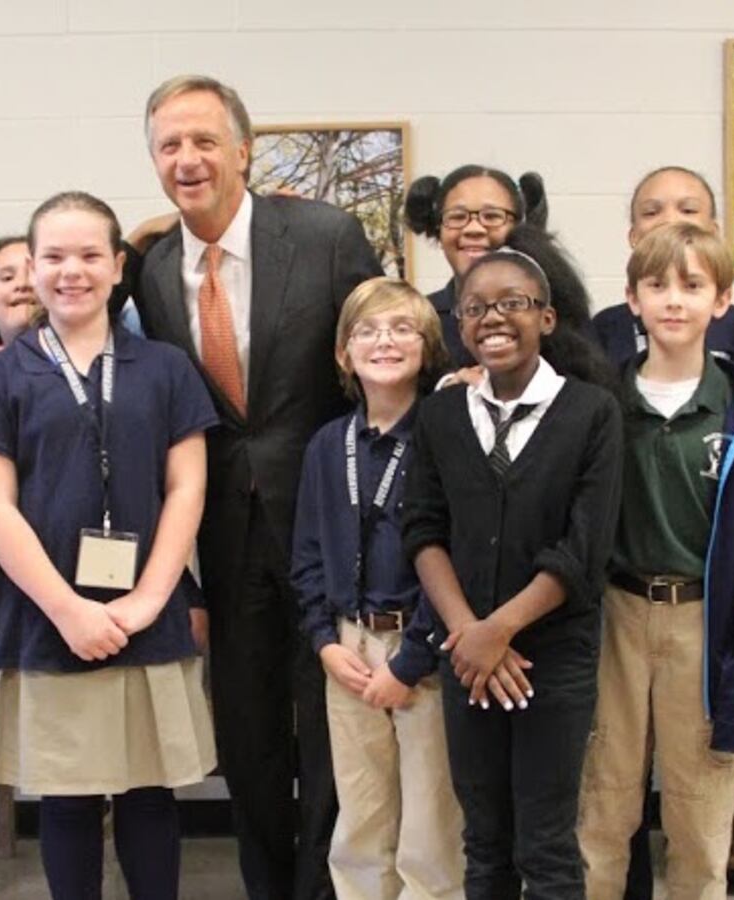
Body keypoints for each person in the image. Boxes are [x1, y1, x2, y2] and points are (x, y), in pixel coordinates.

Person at [131, 73, 383, 900]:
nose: (188, 158)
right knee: (249, 741)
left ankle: (326, 888)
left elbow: (384, 353)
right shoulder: (152, 267)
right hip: (224, 543)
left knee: (333, 729)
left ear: (244, 149)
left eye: (205, 140)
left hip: (329, 530)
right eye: (170, 144)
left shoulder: (325, 236)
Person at [0, 191, 218, 900]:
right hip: (46, 621)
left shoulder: (164, 367)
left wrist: (147, 600)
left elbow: (187, 489)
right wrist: (69, 609)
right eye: (55, 257)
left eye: (90, 254)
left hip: (146, 618)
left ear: (118, 265)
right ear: (31, 269)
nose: (74, 271)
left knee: (149, 795)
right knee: (66, 801)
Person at [401, 228, 623, 897]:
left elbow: (583, 550)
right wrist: (469, 633)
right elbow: (423, 531)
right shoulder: (440, 415)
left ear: (546, 318)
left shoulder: (593, 414)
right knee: (486, 843)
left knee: (547, 844)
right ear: (460, 323)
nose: (494, 317)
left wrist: (499, 631)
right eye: (476, 307)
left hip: (551, 659)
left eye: (514, 303)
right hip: (464, 654)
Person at [577, 222, 734, 900]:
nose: (674, 300)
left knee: (700, 824)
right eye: (657, 285)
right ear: (631, 299)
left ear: (721, 301)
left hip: (702, 624)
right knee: (603, 812)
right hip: (616, 617)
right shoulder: (600, 404)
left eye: (692, 285)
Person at [290, 277, 464, 899]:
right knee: (360, 822)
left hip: (426, 654)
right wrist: (323, 642)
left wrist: (413, 658)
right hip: (348, 652)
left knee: (430, 828)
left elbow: (461, 561)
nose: (383, 341)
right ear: (344, 352)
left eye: (402, 329)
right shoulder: (325, 446)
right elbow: (307, 556)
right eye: (366, 330)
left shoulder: (448, 436)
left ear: (429, 347)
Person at [590, 166, 734, 365]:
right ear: (633, 236)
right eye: (651, 212)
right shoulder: (605, 328)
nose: (670, 220)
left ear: (713, 232)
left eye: (688, 210)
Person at [404, 165, 547, 368]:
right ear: (438, 228)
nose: (474, 229)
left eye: (492, 216)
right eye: (457, 217)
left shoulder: (552, 312)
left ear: (519, 227)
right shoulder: (419, 319)